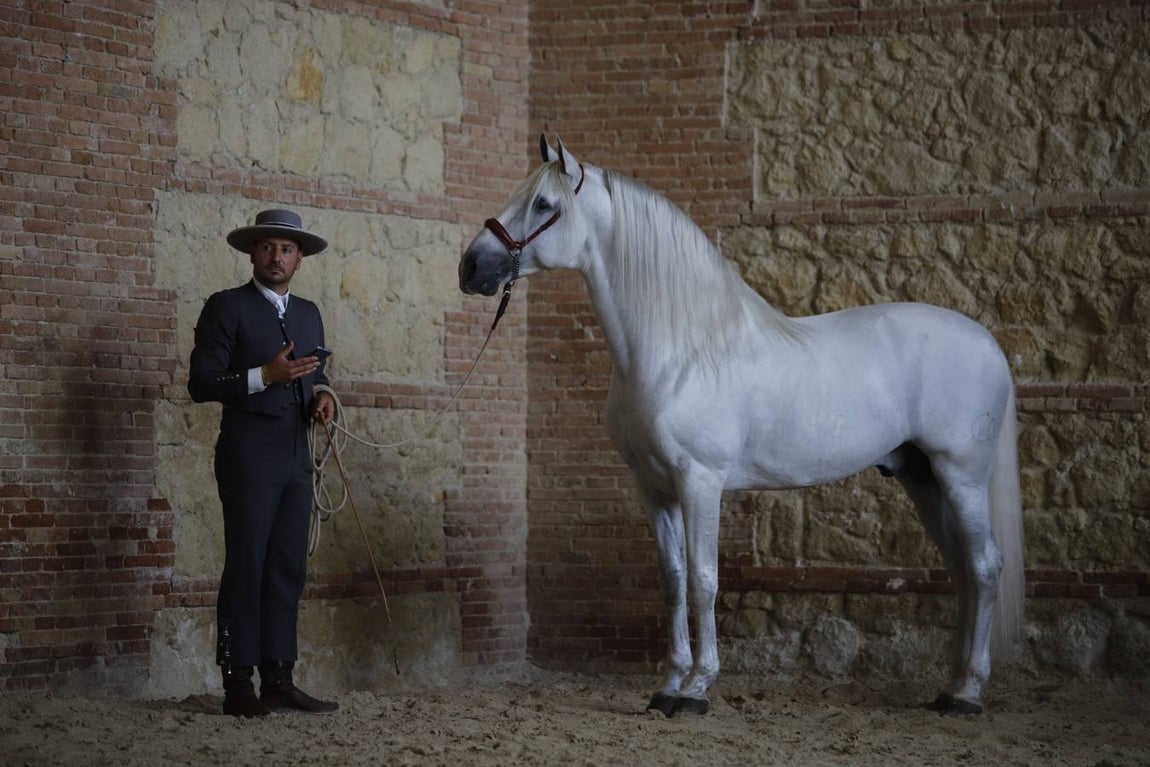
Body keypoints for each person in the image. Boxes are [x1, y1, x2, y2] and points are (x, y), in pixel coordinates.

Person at [188, 208, 339, 717]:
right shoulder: (225, 306)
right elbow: (200, 383)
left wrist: (324, 397)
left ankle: (279, 680)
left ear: (299, 260)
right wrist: (264, 376)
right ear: (253, 253)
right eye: (268, 247)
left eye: (287, 249)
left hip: (297, 456)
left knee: (287, 567)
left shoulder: (310, 313)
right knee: (247, 564)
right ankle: (238, 685)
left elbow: (317, 375)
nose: (277, 257)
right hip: (248, 453)